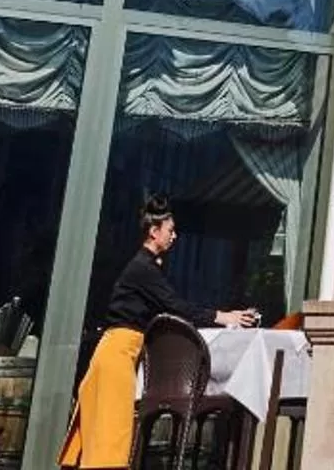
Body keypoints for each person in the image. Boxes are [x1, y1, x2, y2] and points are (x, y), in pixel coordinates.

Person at [60, 197, 261, 469]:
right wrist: (224, 316)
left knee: (107, 437)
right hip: (116, 356)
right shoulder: (143, 269)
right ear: (154, 232)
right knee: (110, 437)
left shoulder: (147, 267)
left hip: (120, 353)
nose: (174, 236)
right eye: (170, 230)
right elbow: (176, 306)